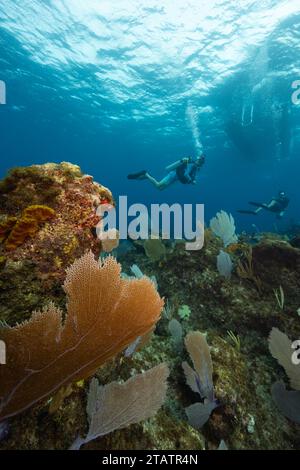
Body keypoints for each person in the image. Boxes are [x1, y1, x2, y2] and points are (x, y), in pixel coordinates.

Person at [127, 155, 205, 191]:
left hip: (175, 177)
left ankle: (145, 176)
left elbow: (190, 175)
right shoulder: (192, 165)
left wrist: (192, 180)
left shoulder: (195, 168)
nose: (199, 164)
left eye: (200, 163)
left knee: (160, 189)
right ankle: (146, 173)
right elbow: (186, 174)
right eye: (200, 162)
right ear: (198, 161)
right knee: (158, 186)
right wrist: (191, 181)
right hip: (173, 175)